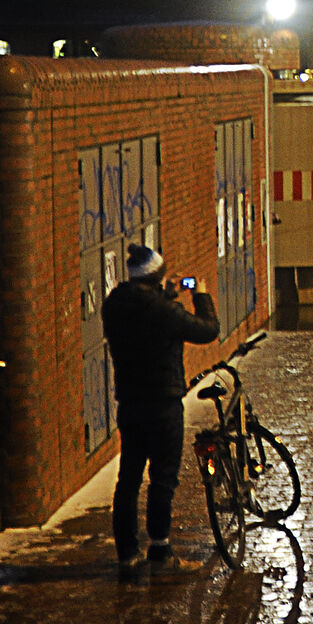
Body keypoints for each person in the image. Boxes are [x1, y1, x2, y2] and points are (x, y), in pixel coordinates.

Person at [101, 243, 220, 580]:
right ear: (156, 276)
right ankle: (160, 548)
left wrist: (163, 296)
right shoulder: (164, 312)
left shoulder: (114, 304)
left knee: (128, 479)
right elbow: (208, 329)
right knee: (163, 478)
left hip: (130, 403)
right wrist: (201, 296)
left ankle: (127, 552)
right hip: (163, 404)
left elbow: (143, 317)